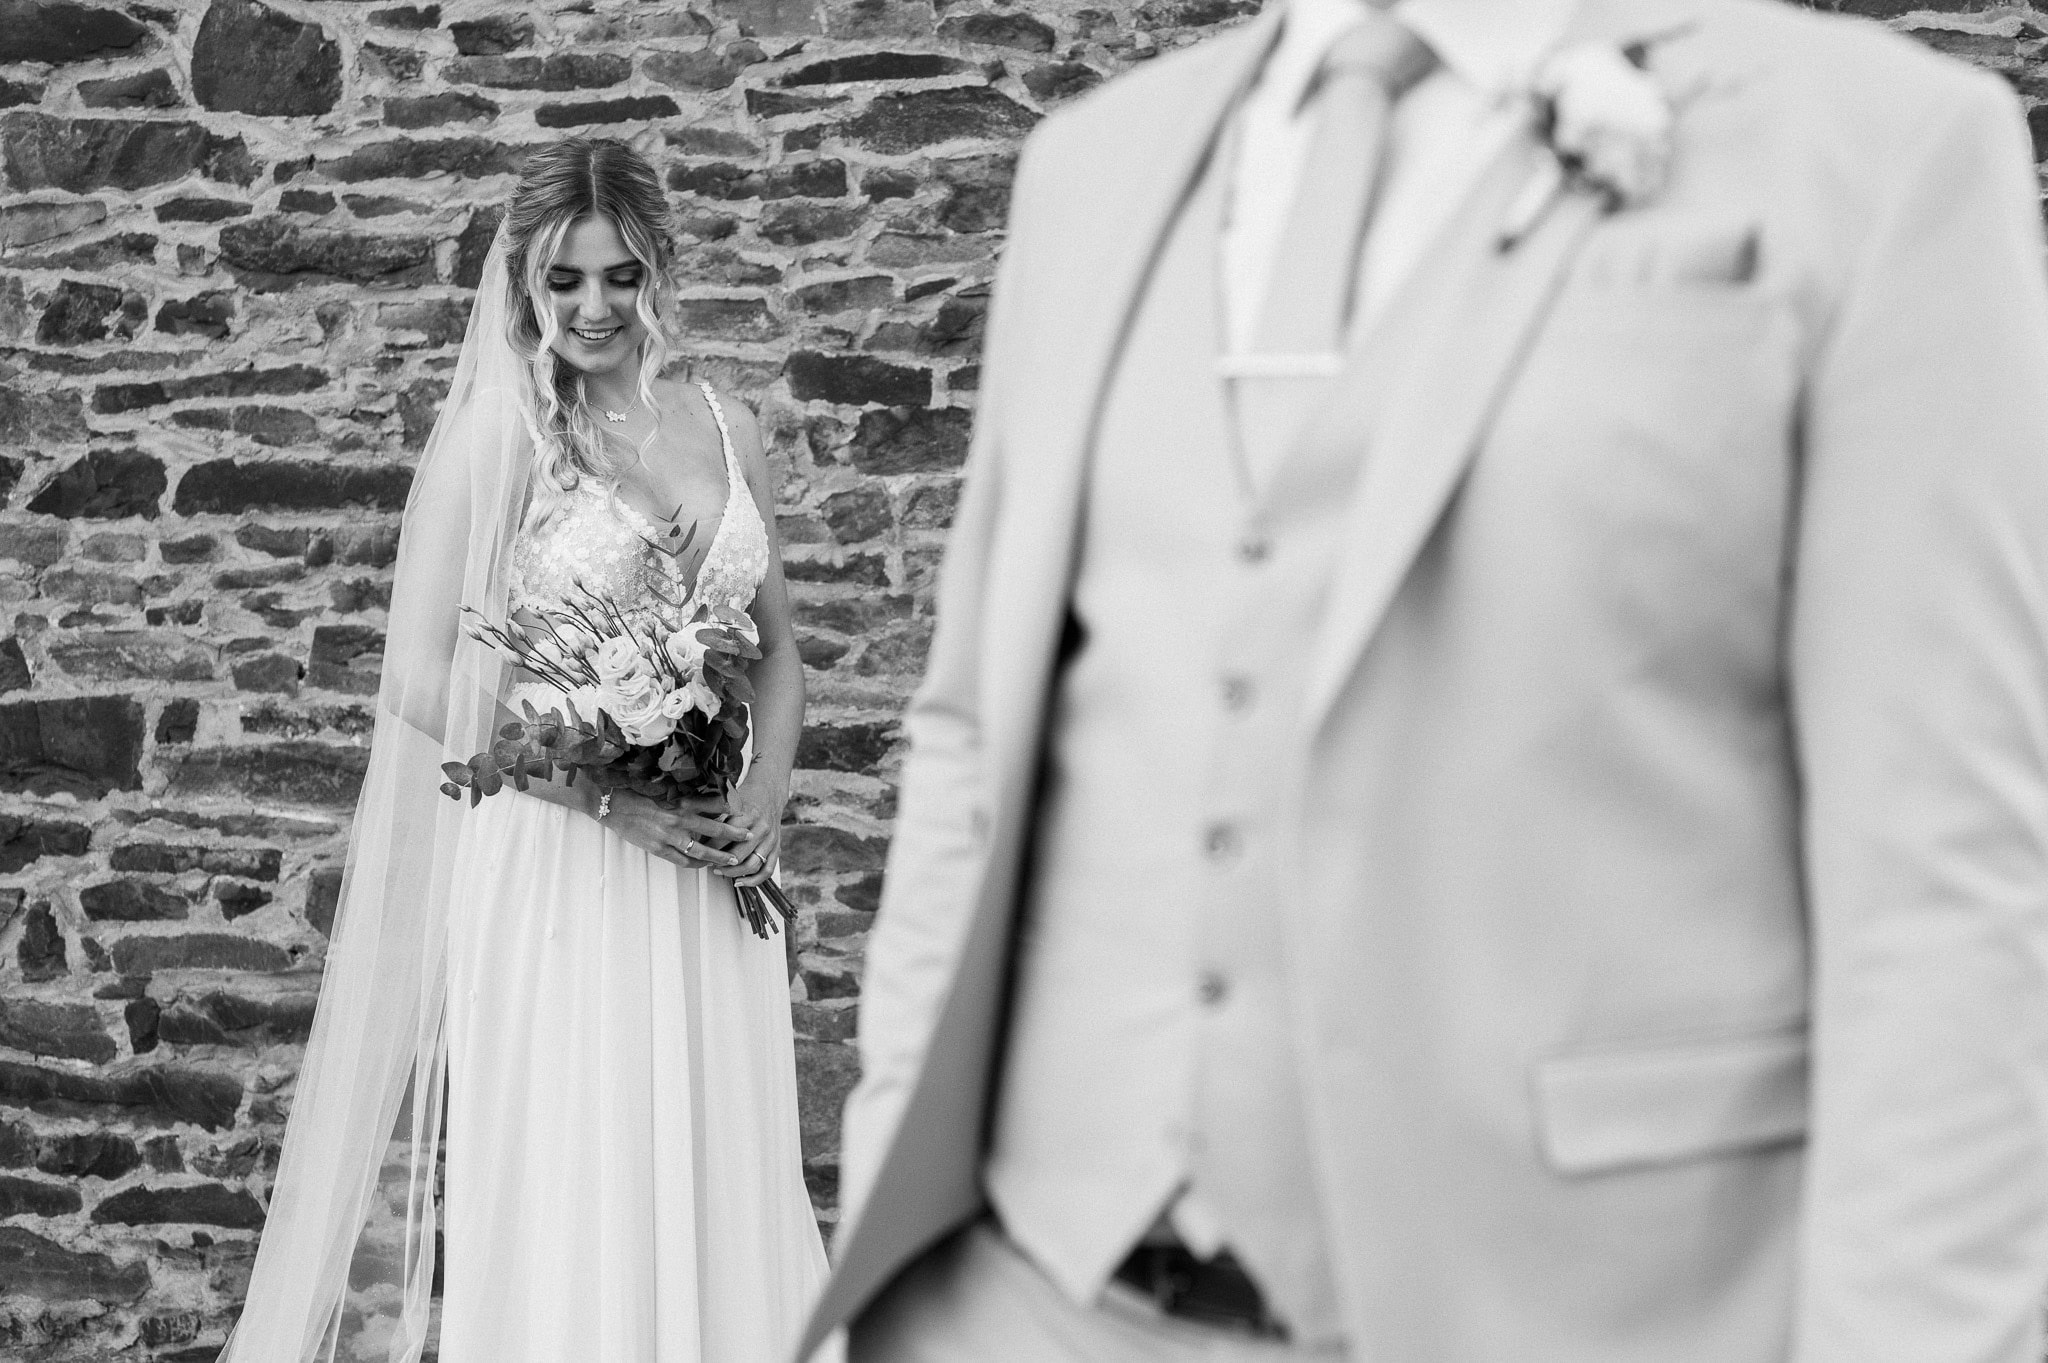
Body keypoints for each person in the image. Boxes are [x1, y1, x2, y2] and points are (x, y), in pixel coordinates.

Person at [797, 0, 2048, 1353]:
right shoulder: (1092, 165)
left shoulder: (1885, 154)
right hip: (1025, 1300)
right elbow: (973, 737)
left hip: (1570, 1312)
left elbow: (1942, 883)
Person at [222, 137, 827, 1363]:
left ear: (656, 271)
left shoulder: (726, 425)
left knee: (715, 1155)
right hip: (564, 859)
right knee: (580, 1169)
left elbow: (775, 651)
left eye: (619, 276)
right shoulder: (500, 438)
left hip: (709, 860)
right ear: (525, 287)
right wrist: (607, 798)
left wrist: (762, 788)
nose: (594, 307)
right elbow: (416, 675)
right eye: (564, 281)